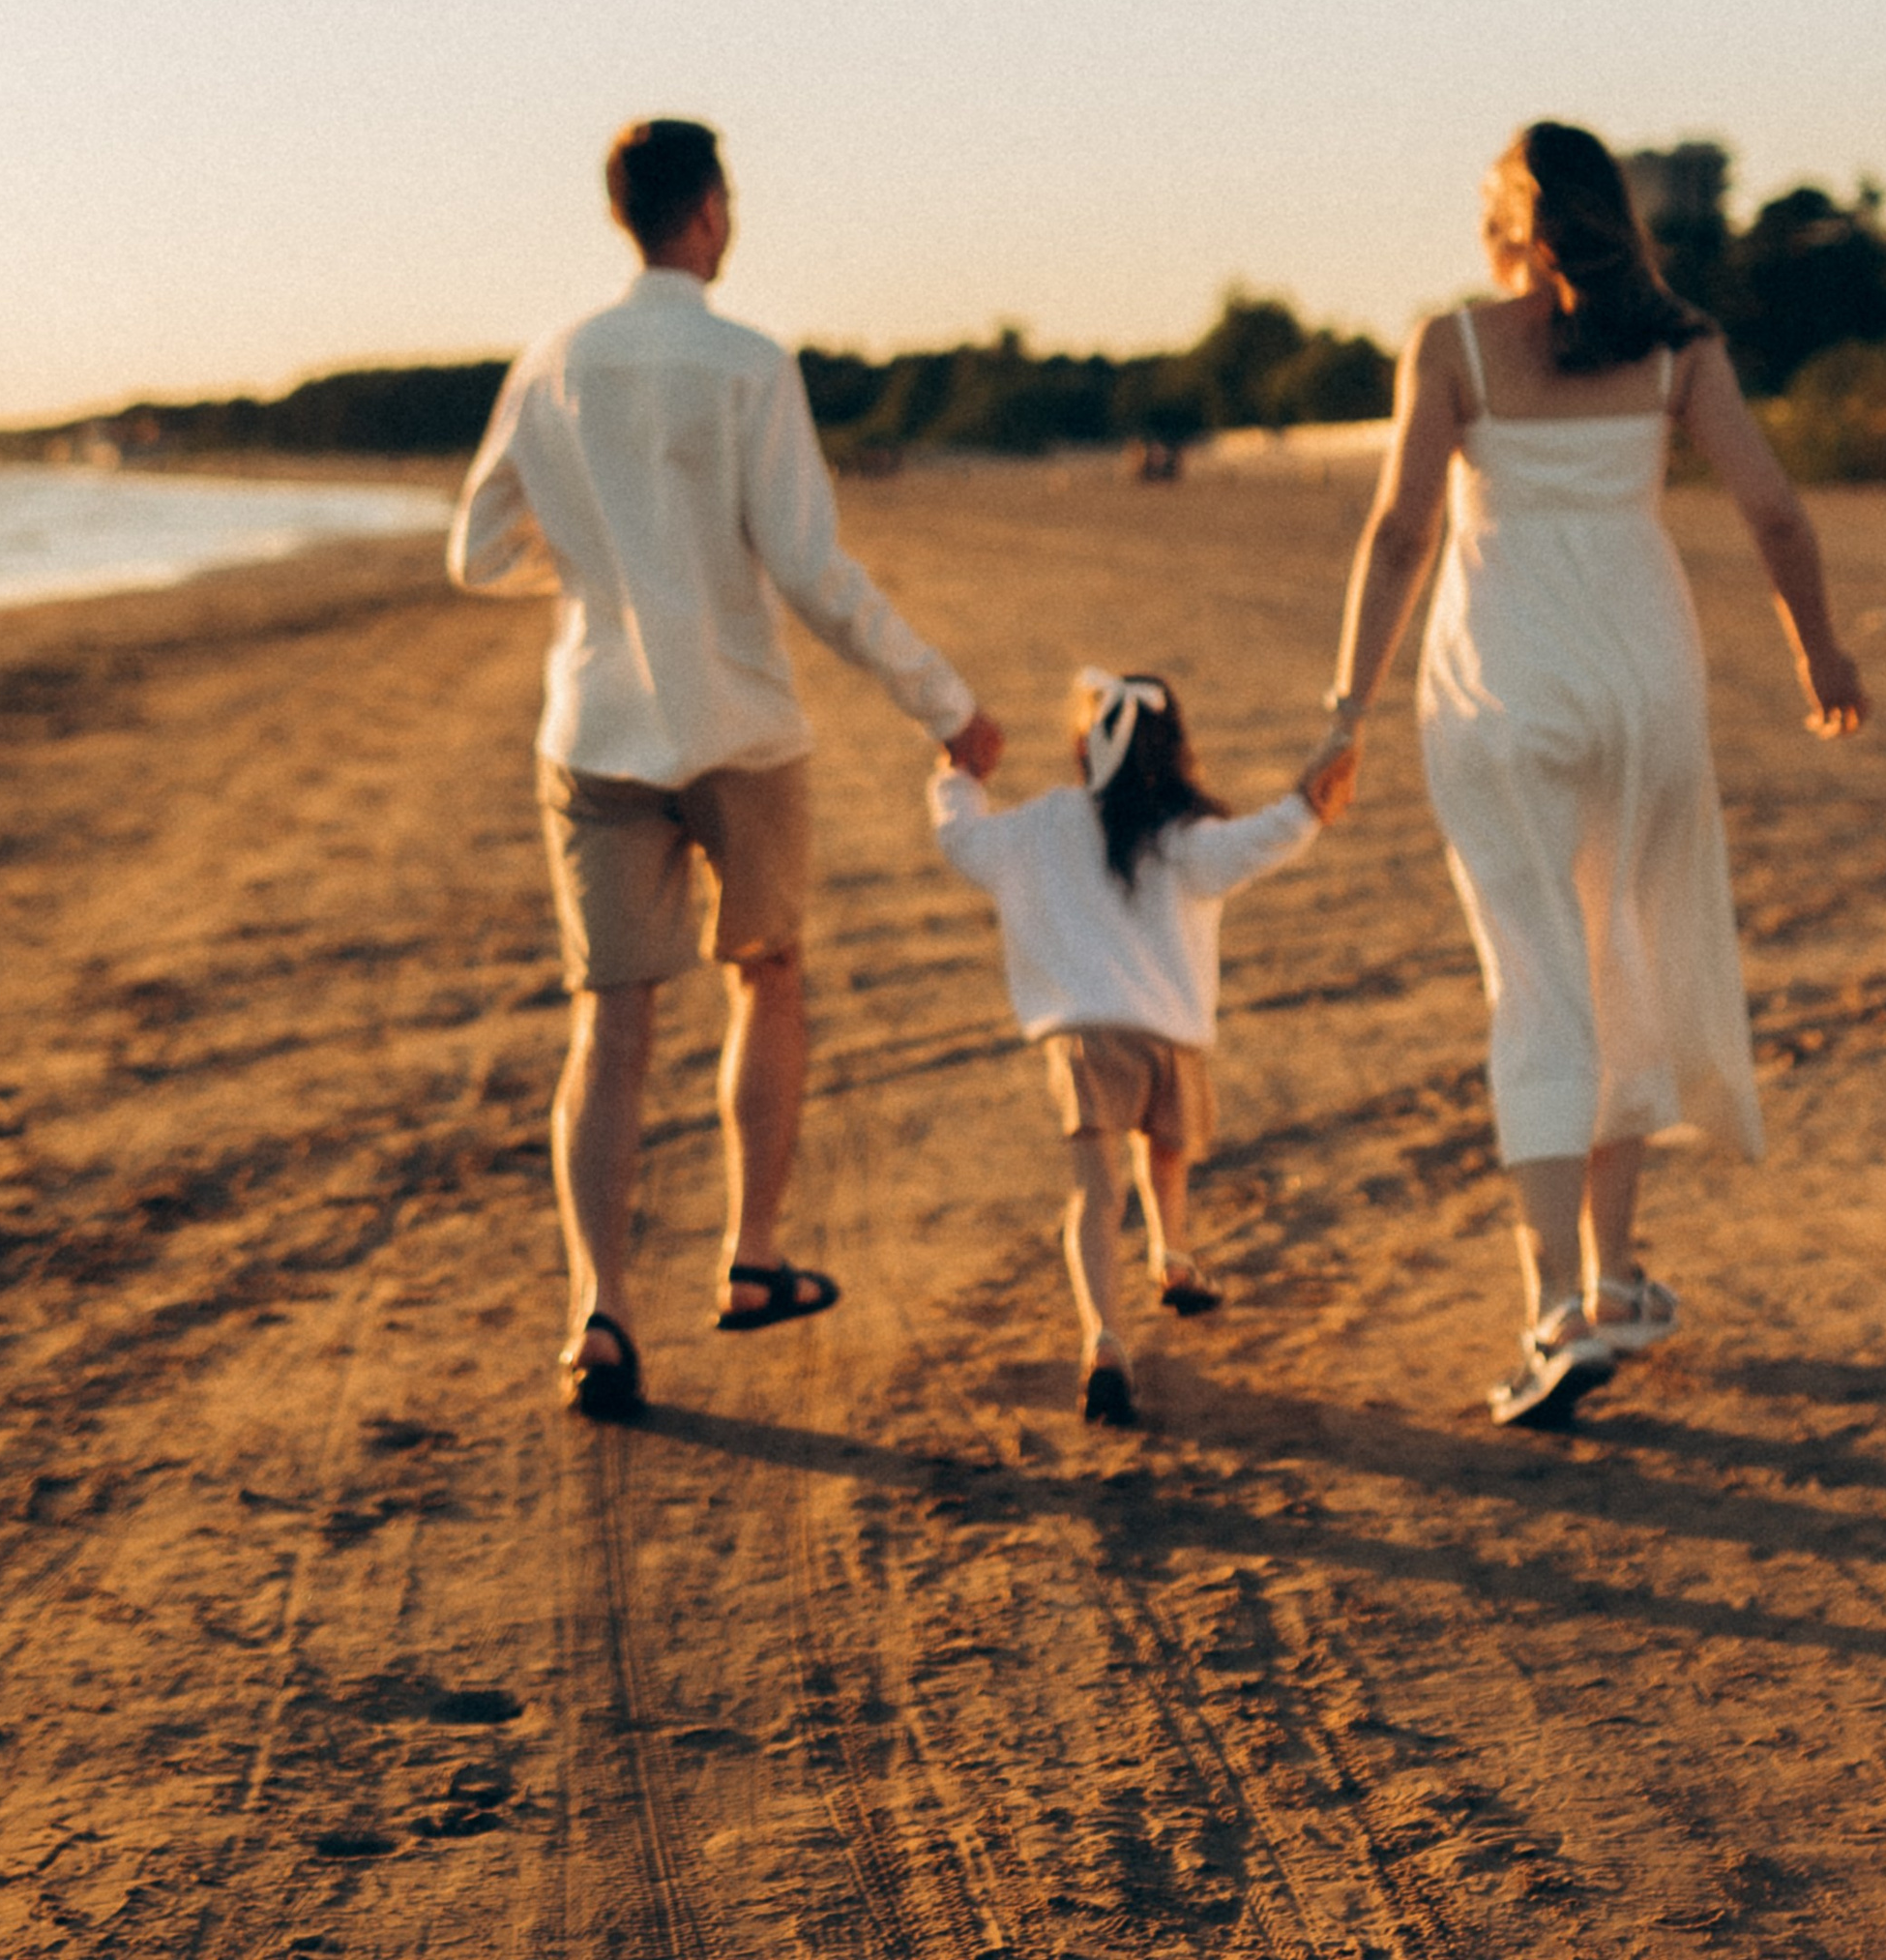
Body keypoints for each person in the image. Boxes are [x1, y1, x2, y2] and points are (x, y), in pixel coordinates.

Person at [449, 117, 1001, 1420]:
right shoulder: (748, 362)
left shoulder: (553, 363)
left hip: (594, 727)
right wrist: (946, 703)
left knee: (611, 1020)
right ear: (703, 212)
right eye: (729, 199)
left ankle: (600, 1312)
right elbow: (810, 568)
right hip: (742, 724)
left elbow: (475, 551)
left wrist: (593, 574)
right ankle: (751, 1261)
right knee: (769, 976)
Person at [1322, 120, 1868, 1427]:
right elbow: (1775, 510)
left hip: (1501, 689)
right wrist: (1821, 656)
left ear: (1510, 219)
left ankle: (1560, 1308)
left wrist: (1344, 710)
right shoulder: (1681, 344)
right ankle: (1614, 1278)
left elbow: (1401, 531)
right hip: (1646, 687)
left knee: (1538, 987)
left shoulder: (1453, 346)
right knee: (1617, 957)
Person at [930, 668, 1357, 1426]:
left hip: (1084, 1038)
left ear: (1082, 746)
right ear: (1176, 753)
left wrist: (957, 779)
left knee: (1096, 1196)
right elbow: (1264, 838)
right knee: (1166, 1158)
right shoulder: (1186, 841)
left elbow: (965, 840)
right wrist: (1309, 802)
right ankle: (1171, 1254)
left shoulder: (1041, 827)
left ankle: (1103, 1339)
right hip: (1168, 1038)